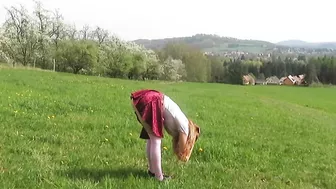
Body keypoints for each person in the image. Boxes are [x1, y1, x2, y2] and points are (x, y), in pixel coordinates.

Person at [130, 89, 200, 181]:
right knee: (156, 140)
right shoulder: (185, 128)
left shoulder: (183, 122)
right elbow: (183, 155)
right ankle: (159, 177)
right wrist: (190, 148)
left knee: (151, 139)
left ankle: (152, 171)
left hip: (145, 98)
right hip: (154, 101)